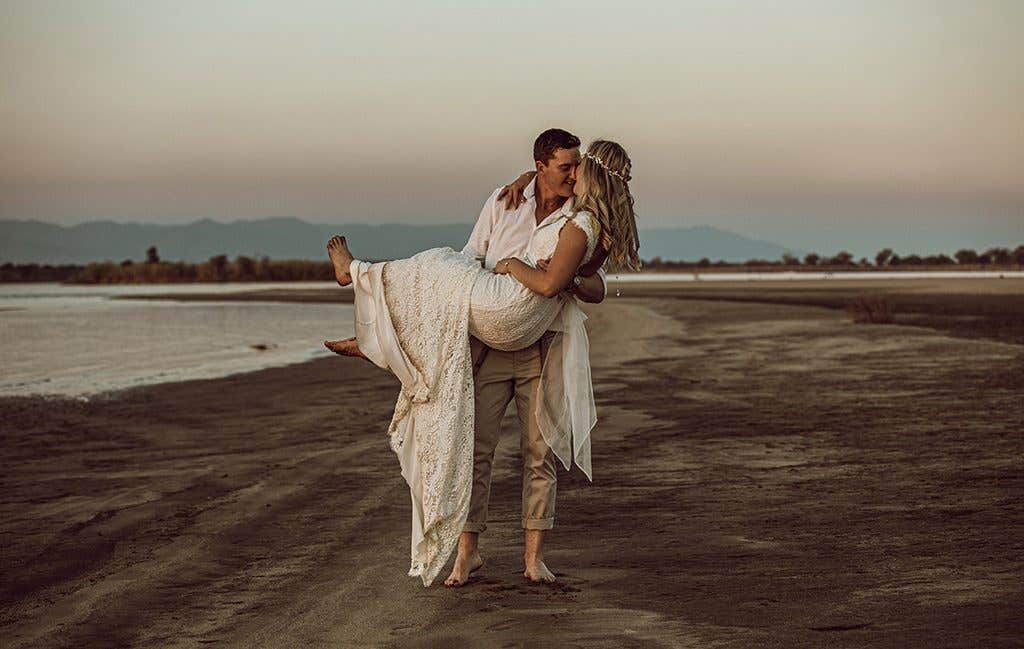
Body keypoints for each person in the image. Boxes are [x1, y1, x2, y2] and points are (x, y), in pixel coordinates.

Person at [324, 134, 640, 587]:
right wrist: (515, 268)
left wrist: (552, 278)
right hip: (491, 341)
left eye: (578, 168)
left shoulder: (580, 214)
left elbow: (596, 285)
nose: (573, 174)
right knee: (477, 448)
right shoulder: (504, 201)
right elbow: (470, 257)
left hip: (542, 343)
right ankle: (467, 554)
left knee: (539, 452)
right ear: (540, 165)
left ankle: (533, 559)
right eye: (564, 167)